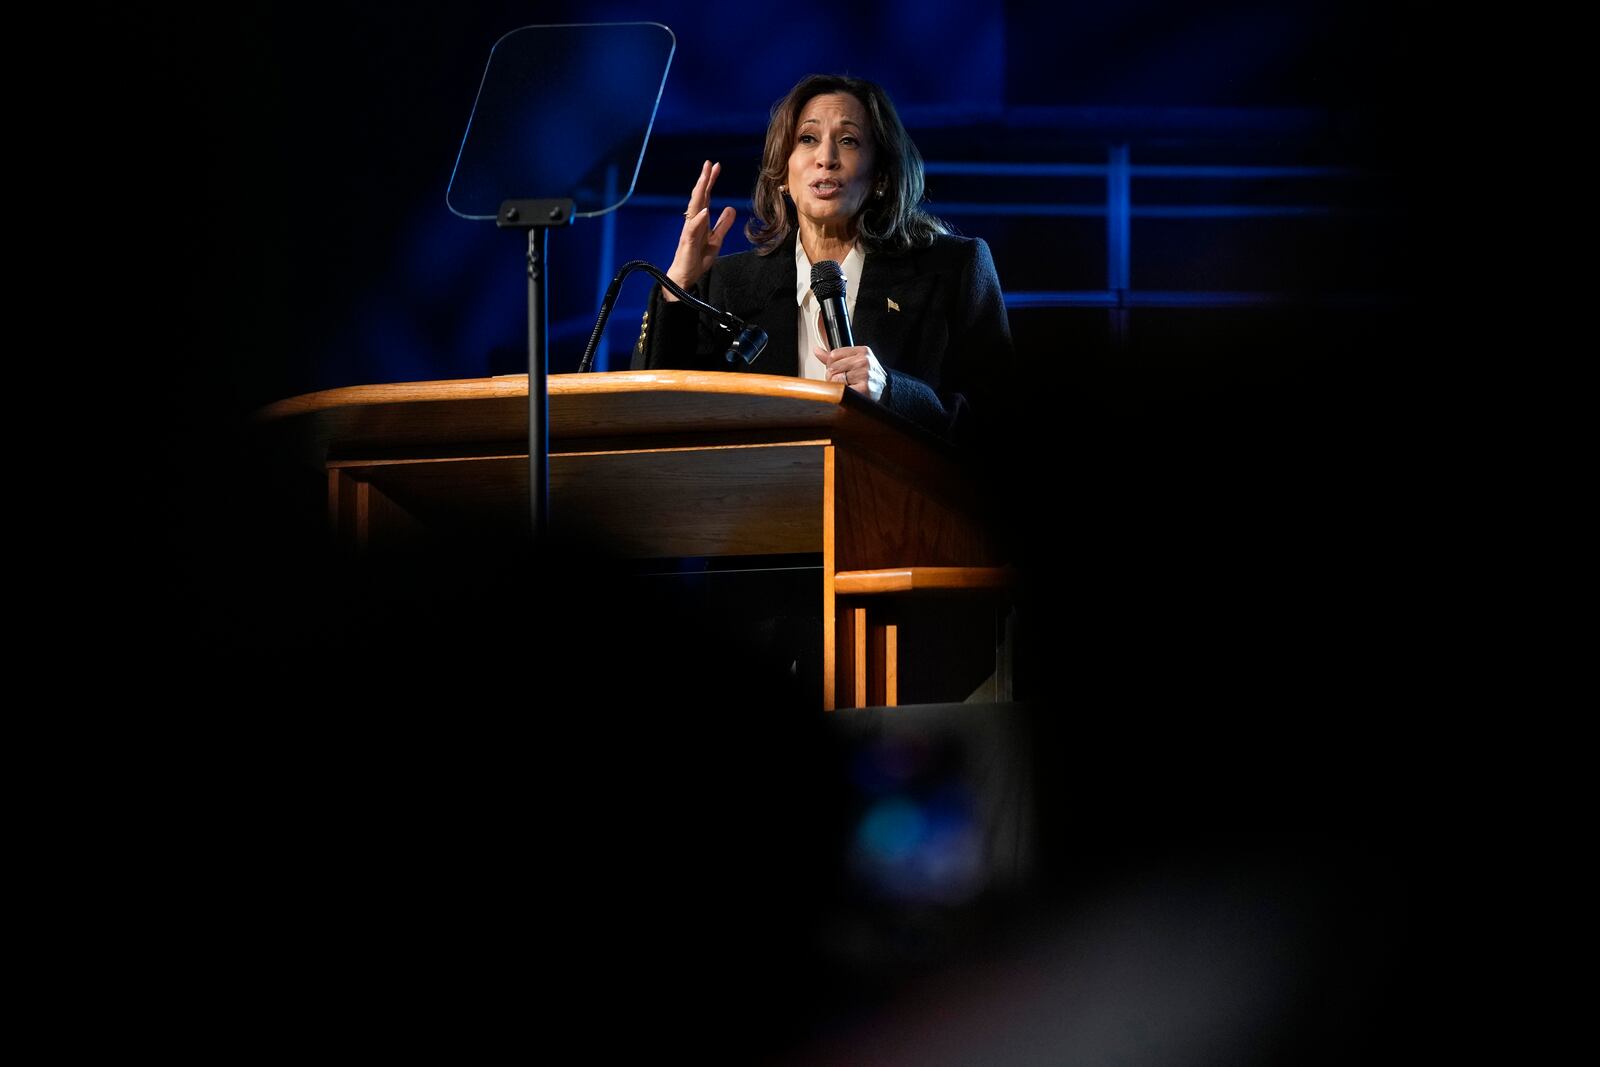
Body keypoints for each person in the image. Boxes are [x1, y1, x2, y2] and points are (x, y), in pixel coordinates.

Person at [631, 74, 1013, 448]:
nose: (826, 158)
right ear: (783, 173)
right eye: (808, 139)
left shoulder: (953, 268)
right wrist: (678, 282)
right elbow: (651, 413)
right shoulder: (729, 283)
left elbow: (998, 428)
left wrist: (891, 392)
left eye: (848, 141)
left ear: (880, 176)